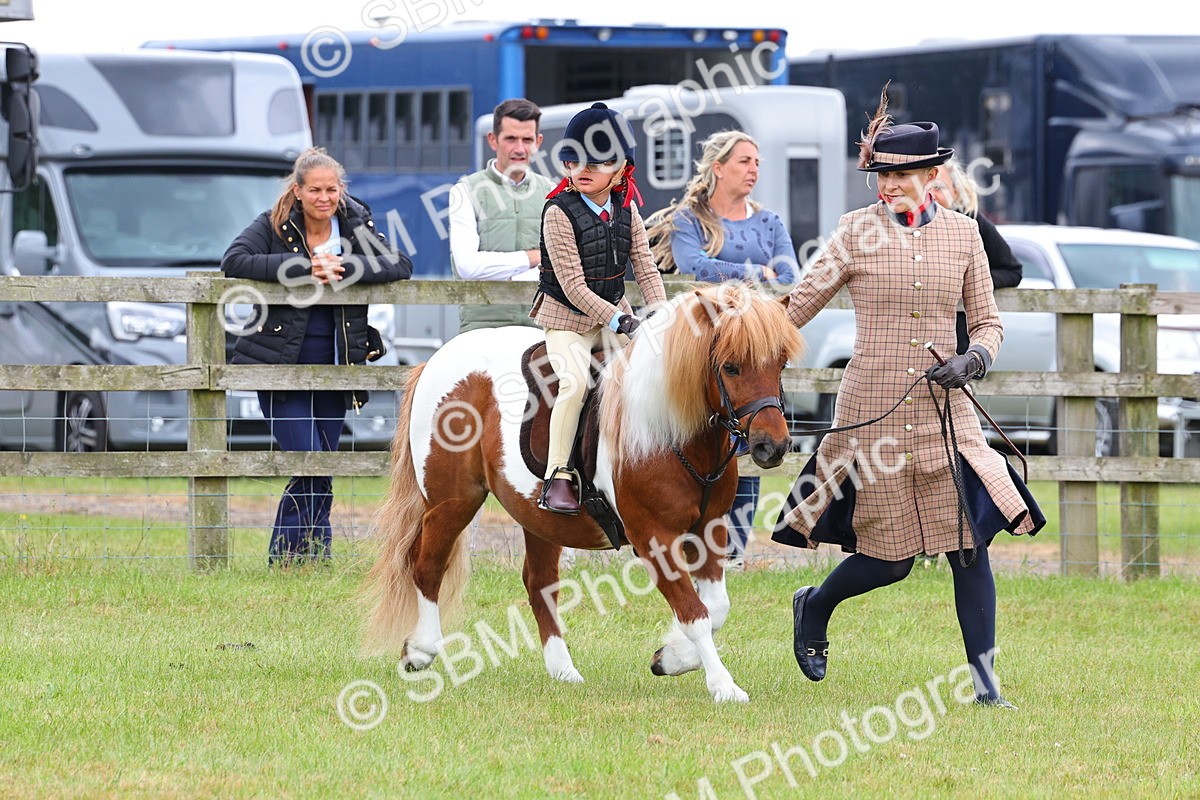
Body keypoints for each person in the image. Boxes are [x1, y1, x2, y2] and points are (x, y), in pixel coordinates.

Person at [772, 91, 1045, 707]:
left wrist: (973, 358)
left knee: (969, 549)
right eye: (883, 174)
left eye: (901, 174)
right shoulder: (853, 232)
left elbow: (989, 323)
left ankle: (985, 687)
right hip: (874, 413)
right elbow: (796, 307)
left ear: (932, 176)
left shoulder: (964, 235)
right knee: (890, 561)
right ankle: (814, 606)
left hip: (947, 416)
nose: (890, 185)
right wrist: (739, 323)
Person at [222, 147, 412, 565]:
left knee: (322, 462)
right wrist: (304, 269)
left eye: (332, 190)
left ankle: (314, 554)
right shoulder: (272, 223)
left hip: (338, 361)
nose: (324, 199)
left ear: (341, 190)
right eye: (315, 190)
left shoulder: (354, 220)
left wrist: (347, 268)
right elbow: (234, 261)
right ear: (299, 190)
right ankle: (288, 557)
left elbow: (399, 264)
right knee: (307, 461)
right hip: (280, 363)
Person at [646, 130, 796, 568]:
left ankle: (733, 549)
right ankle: (682, 534)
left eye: (756, 162)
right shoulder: (689, 219)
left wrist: (756, 275)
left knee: (751, 439)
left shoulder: (768, 220)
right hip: (702, 343)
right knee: (696, 438)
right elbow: (696, 266)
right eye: (744, 161)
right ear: (718, 167)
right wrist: (755, 271)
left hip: (752, 345)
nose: (754, 169)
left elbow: (789, 268)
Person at [533, 102, 668, 515]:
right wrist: (620, 319)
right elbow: (573, 286)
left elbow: (646, 267)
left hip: (615, 311)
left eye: (598, 160)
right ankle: (557, 475)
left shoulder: (627, 208)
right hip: (567, 321)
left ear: (622, 167)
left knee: (657, 369)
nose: (582, 168)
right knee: (574, 383)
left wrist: (662, 315)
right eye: (573, 159)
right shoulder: (557, 212)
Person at [449, 98, 556, 334]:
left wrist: (505, 272)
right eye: (510, 139)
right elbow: (467, 266)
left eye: (527, 140)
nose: (519, 148)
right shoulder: (464, 191)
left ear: (538, 142)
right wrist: (533, 257)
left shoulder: (552, 192)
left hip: (540, 328)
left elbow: (561, 264)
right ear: (493, 140)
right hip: (481, 328)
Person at [929, 159, 1023, 354]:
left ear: (955, 190)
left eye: (939, 187)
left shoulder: (971, 221)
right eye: (924, 187)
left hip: (958, 347)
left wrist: (970, 282)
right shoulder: (897, 227)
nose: (931, 195)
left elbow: (1012, 271)